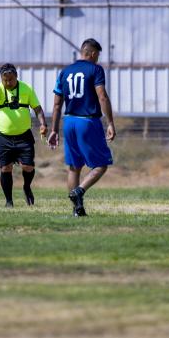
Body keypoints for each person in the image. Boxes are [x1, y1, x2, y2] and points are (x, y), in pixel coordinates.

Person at [48, 38, 116, 217]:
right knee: (101, 165)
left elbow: (56, 105)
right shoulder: (95, 69)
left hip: (68, 121)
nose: (98, 59)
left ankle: (76, 210)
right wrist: (110, 122)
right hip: (87, 121)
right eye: (98, 55)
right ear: (92, 53)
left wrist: (54, 130)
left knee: (74, 167)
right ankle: (80, 190)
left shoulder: (65, 72)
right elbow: (102, 97)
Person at [0, 63, 48, 208]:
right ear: (1, 79)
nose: (8, 83)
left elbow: (38, 109)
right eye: (5, 80)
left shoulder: (26, 89)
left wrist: (43, 124)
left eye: (11, 79)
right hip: (3, 137)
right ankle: (9, 201)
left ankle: (27, 187)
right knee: (5, 168)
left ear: (16, 77)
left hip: (24, 136)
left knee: (28, 167)